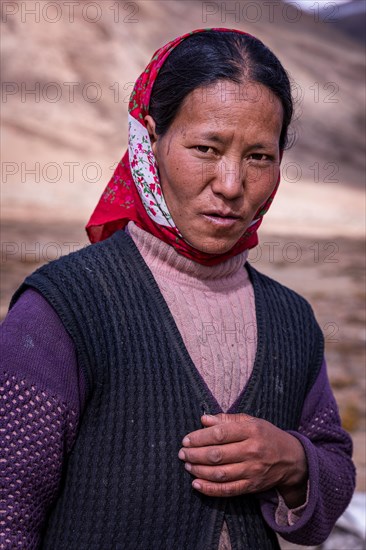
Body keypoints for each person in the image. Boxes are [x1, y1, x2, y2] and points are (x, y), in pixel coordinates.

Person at [1, 28, 355, 550]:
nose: (231, 185)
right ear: (149, 143)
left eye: (259, 156)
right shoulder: (62, 310)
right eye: (206, 148)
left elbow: (333, 474)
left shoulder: (292, 319)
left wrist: (294, 461)